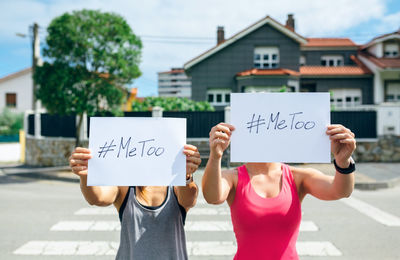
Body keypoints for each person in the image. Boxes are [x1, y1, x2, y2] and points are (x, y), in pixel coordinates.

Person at [202, 123, 356, 260]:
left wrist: (343, 163)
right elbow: (212, 197)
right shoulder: (233, 177)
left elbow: (340, 191)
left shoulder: (298, 177)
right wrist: (216, 156)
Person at [69, 144, 201, 260]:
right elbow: (97, 198)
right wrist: (85, 176)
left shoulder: (176, 185)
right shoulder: (125, 186)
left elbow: (190, 199)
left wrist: (186, 176)